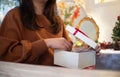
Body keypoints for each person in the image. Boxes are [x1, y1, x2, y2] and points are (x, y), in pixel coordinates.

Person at [0, 0, 100, 66]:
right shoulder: (14, 16)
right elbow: (7, 55)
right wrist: (46, 43)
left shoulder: (57, 21)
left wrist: (82, 50)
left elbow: (66, 49)